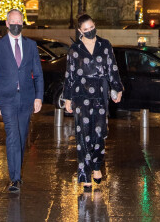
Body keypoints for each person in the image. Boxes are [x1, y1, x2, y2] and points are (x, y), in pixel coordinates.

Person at [63, 14, 123, 191]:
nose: (90, 31)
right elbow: (69, 75)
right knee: (83, 136)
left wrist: (117, 88)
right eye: (86, 29)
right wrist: (67, 99)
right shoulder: (75, 49)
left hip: (100, 94)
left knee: (100, 133)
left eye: (92, 27)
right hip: (81, 95)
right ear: (80, 31)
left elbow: (113, 68)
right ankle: (85, 174)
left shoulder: (105, 45)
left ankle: (97, 166)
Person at [0, 9, 44, 193]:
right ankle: (15, 179)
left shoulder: (31, 45)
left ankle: (16, 170)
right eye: (13, 21)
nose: (16, 24)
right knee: (12, 136)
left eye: (19, 21)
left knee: (21, 137)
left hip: (26, 98)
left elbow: (38, 74)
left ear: (22, 23)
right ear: (6, 23)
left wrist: (38, 97)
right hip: (6, 99)